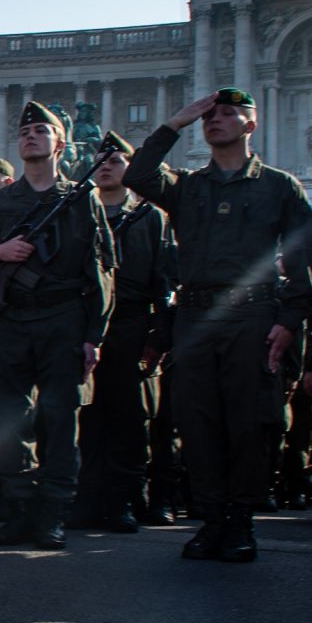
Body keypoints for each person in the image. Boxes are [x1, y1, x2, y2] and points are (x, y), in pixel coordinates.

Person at [124, 89, 312, 561]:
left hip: (252, 314)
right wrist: (175, 123)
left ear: (250, 125)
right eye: (209, 115)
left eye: (228, 114)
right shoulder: (189, 186)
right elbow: (138, 175)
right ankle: (211, 519)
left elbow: (303, 260)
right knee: (198, 419)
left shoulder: (279, 186)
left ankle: (239, 521)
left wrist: (290, 321)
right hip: (196, 315)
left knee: (249, 420)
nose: (214, 120)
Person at [0, 102, 114, 550]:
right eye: (25, 131)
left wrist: (94, 334)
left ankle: (52, 514)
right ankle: (20, 508)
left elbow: (101, 269)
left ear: (60, 144)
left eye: (41, 130)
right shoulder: (2, 202)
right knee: (8, 420)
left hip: (63, 319)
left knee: (61, 420)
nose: (31, 135)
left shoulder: (81, 198)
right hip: (12, 320)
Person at [71, 133, 173, 532]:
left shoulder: (151, 217)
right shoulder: (79, 211)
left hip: (132, 325)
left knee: (130, 419)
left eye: (115, 160)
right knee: (88, 418)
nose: (107, 166)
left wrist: (158, 337)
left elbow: (164, 281)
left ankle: (124, 501)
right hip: (88, 325)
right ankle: (88, 499)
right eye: (101, 160)